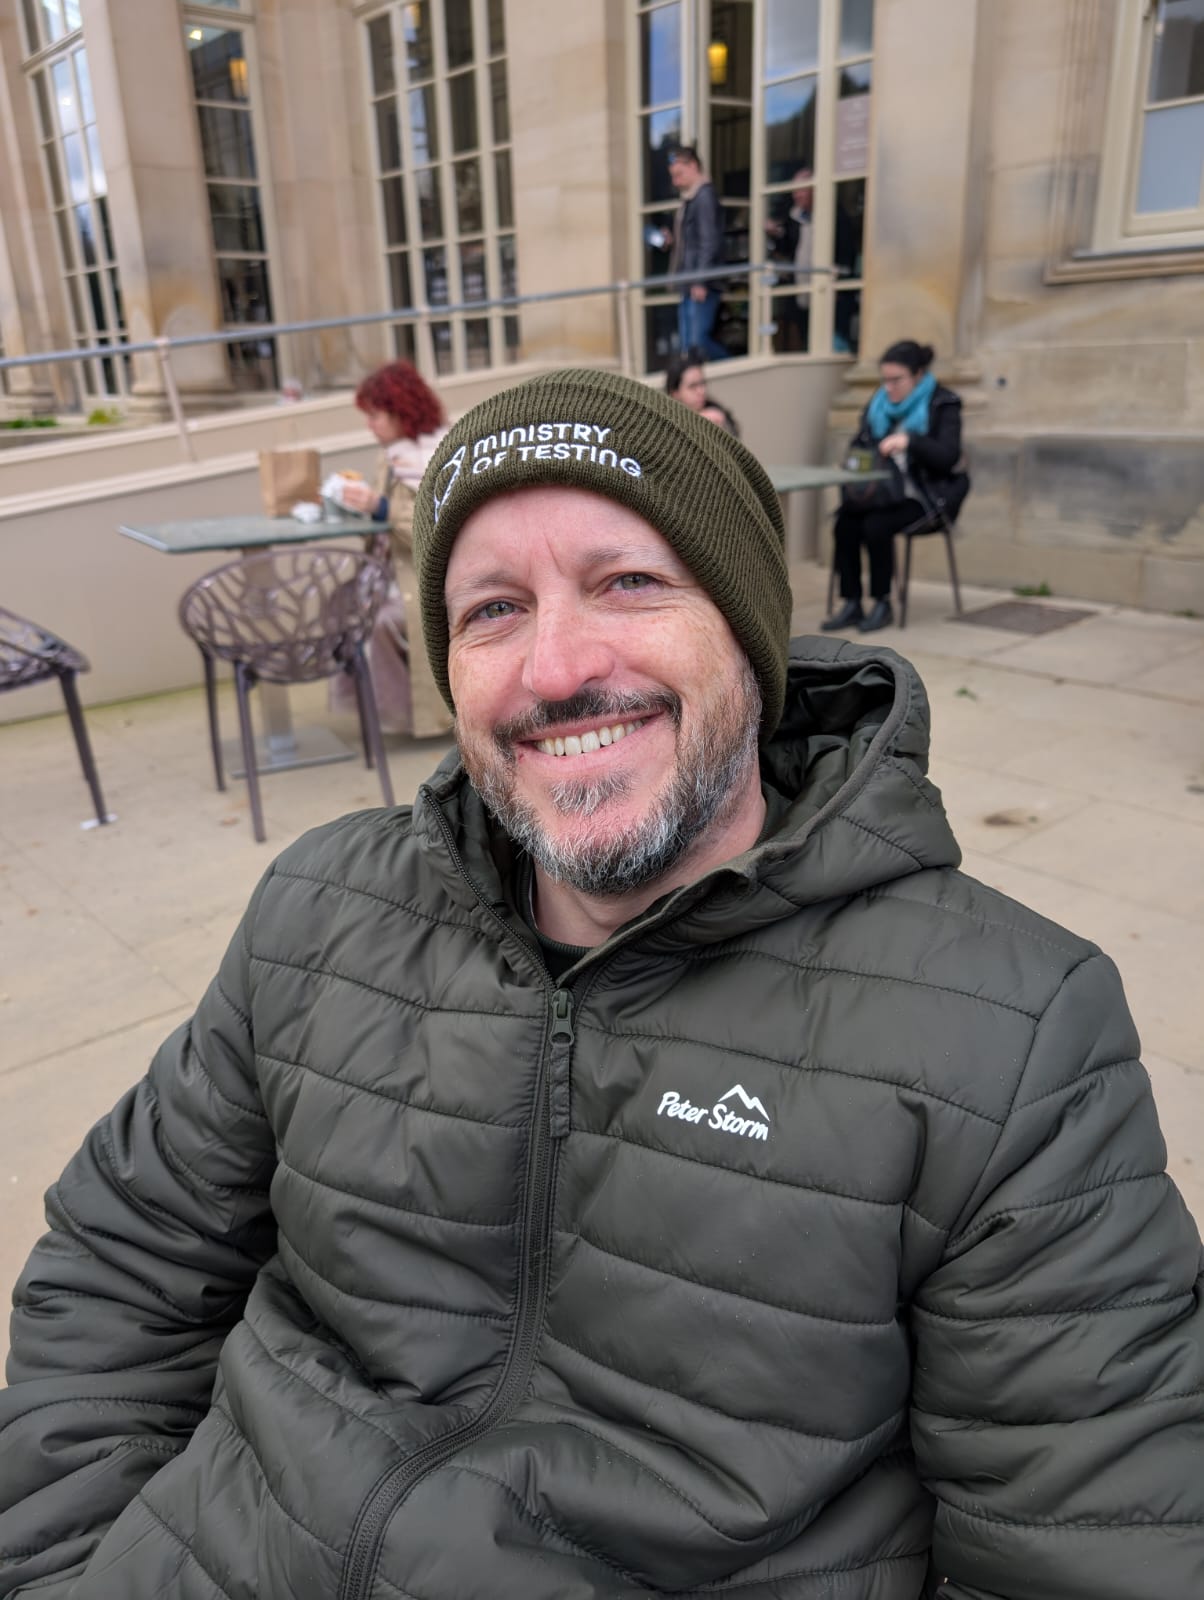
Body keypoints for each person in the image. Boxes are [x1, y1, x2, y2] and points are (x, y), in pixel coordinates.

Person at [2, 368, 1201, 1600]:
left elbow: (1093, 1536)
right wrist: (62, 1565)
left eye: (628, 582)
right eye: (491, 610)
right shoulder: (320, 906)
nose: (556, 668)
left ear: (744, 626)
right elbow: (121, 1263)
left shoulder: (1006, 1032)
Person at [332, 359, 454, 737]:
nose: (369, 424)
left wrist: (379, 508)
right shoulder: (391, 456)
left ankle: (412, 716)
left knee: (383, 620)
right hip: (392, 569)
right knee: (342, 600)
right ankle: (379, 709)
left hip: (426, 577)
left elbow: (436, 531)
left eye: (376, 414)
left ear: (402, 412)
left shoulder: (436, 454)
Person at [823, 338, 969, 634]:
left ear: (917, 375)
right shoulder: (878, 405)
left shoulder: (944, 403)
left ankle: (882, 602)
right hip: (880, 492)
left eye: (896, 380)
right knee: (845, 523)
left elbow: (947, 457)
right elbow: (859, 444)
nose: (888, 387)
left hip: (926, 496)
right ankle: (851, 602)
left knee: (876, 526)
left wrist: (911, 442)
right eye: (885, 379)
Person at [666, 144, 728, 362]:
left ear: (693, 166)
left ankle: (733, 367)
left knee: (696, 344)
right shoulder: (692, 199)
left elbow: (709, 242)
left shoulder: (704, 197)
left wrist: (700, 281)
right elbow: (694, 241)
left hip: (699, 283)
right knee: (688, 346)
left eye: (679, 175)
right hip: (689, 280)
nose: (676, 182)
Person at [765, 166, 813, 353]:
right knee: (800, 330)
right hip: (799, 287)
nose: (796, 195)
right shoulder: (792, 217)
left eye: (801, 190)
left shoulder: (833, 216)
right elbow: (785, 248)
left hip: (825, 289)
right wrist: (775, 235)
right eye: (794, 190)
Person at [665, 349, 740, 437]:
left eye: (702, 383)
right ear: (675, 393)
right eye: (693, 386)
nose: (702, 391)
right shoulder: (667, 423)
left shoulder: (716, 413)